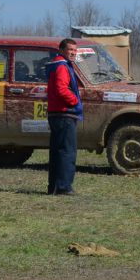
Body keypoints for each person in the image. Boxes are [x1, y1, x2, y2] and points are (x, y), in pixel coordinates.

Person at [46, 38, 83, 195]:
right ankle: (63, 187)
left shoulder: (56, 64)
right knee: (67, 151)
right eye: (70, 50)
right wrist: (75, 100)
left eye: (75, 50)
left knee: (57, 151)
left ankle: (54, 186)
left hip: (55, 113)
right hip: (64, 113)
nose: (73, 53)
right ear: (61, 50)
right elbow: (61, 89)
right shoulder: (62, 66)